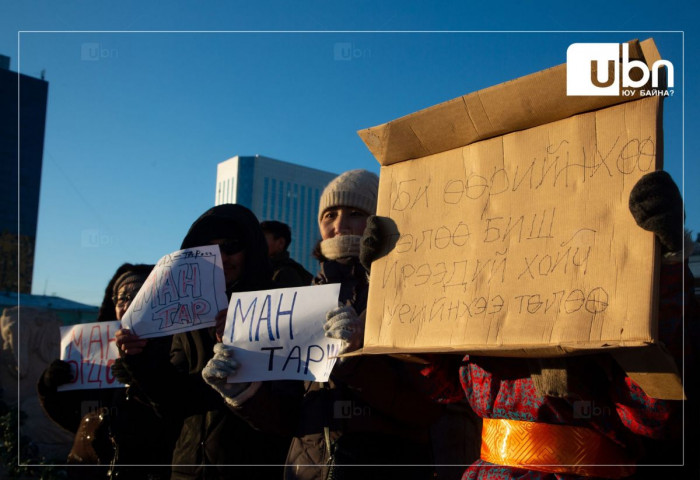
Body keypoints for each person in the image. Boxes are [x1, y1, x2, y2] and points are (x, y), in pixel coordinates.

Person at [401, 170, 697, 479]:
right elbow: (443, 389)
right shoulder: (479, 303)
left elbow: (654, 416)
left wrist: (664, 273)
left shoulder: (604, 303)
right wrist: (397, 286)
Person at [201, 169, 442, 480]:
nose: (339, 225)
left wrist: (355, 362)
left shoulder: (408, 291)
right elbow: (288, 421)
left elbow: (427, 410)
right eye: (330, 215)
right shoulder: (299, 300)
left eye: (355, 213)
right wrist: (244, 390)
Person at [115, 204, 290, 480]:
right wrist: (142, 360)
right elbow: (175, 404)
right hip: (188, 468)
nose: (221, 258)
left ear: (252, 250)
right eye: (207, 251)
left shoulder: (279, 308)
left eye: (231, 246)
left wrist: (242, 344)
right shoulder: (184, 320)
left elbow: (289, 411)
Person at [37, 263, 177, 480]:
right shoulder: (90, 353)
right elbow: (76, 419)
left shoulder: (177, 354)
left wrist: (142, 376)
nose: (130, 304)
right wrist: (51, 388)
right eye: (122, 298)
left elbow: (178, 417)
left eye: (141, 296)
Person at [260, 220, 313, 287]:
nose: (256, 243)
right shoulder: (258, 270)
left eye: (261, 239)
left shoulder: (287, 274)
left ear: (280, 243)